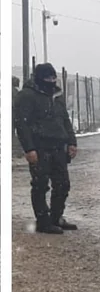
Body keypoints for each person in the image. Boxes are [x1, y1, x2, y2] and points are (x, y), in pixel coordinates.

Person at [15, 63, 78, 234]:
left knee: (63, 184)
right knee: (40, 185)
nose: (51, 81)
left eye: (53, 78)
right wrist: (29, 149)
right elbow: (22, 124)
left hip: (58, 146)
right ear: (39, 78)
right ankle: (43, 221)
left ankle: (56, 217)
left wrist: (72, 142)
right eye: (47, 78)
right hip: (39, 147)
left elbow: (65, 119)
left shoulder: (57, 95)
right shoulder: (27, 96)